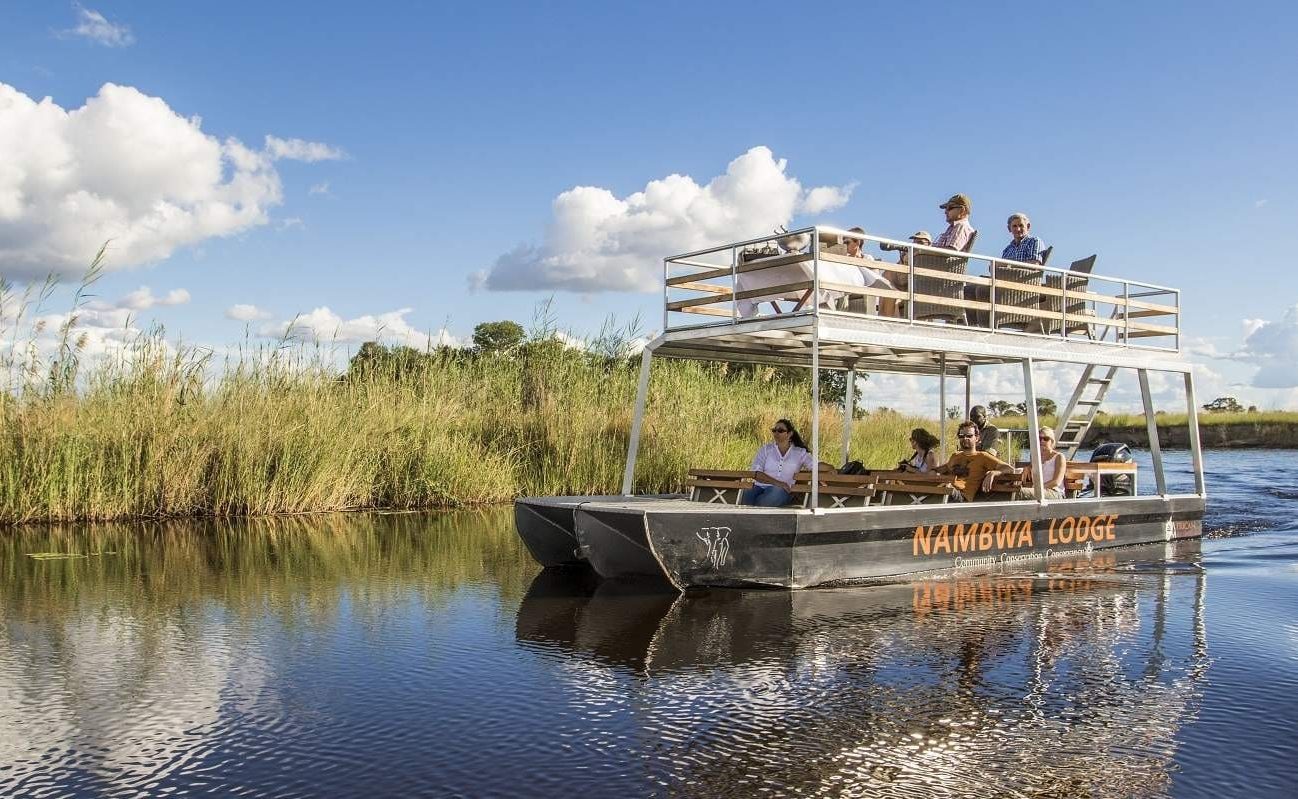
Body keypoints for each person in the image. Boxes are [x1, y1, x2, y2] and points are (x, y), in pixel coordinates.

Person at [933, 420, 1018, 502]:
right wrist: (933, 471)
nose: (965, 438)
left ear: (977, 438)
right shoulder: (955, 456)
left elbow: (1009, 468)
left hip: (960, 496)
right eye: (962, 436)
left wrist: (993, 473)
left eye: (969, 436)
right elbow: (943, 468)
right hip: (945, 491)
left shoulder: (983, 456)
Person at [741, 419, 817, 506]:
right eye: (774, 430)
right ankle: (752, 512)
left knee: (776, 493)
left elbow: (815, 465)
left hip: (781, 491)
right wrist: (779, 483)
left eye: (780, 430)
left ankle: (753, 512)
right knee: (746, 492)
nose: (776, 433)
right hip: (759, 487)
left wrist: (830, 469)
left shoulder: (799, 452)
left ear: (790, 434)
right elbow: (756, 473)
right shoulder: (766, 449)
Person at [1016, 426, 1067, 500]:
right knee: (1011, 491)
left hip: (1055, 493)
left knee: (1020, 493)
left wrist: (1038, 488)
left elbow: (1056, 482)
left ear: (1051, 441)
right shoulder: (1035, 457)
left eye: (1046, 439)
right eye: (1039, 439)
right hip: (1039, 492)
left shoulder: (1059, 457)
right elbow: (1030, 468)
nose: (1042, 441)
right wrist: (1027, 468)